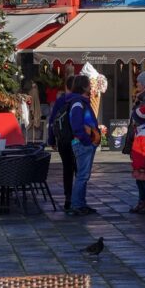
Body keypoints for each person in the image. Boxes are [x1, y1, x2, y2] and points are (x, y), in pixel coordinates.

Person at [67, 74, 101, 216]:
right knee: (82, 175)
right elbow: (76, 125)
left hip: (85, 142)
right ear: (84, 86)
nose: (91, 86)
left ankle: (81, 204)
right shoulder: (78, 103)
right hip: (82, 143)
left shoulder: (80, 102)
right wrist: (88, 142)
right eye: (89, 84)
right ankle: (77, 205)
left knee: (83, 175)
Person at [47, 75, 77, 210]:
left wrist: (52, 139)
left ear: (66, 87)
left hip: (63, 140)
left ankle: (68, 197)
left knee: (67, 168)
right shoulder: (80, 100)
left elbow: (52, 120)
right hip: (76, 139)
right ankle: (78, 198)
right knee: (79, 170)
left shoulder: (60, 100)